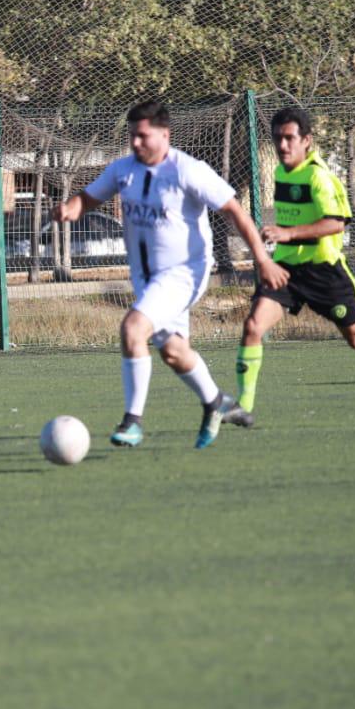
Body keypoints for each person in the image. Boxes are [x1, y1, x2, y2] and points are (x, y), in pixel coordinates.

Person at [52, 100, 287, 450]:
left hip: (184, 273)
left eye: (143, 136)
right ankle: (216, 402)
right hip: (146, 279)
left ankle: (132, 422)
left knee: (133, 327)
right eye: (132, 136)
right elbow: (88, 198)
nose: (135, 143)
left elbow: (235, 211)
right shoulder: (123, 170)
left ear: (165, 134)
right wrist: (72, 207)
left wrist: (262, 260)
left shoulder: (188, 170)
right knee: (174, 353)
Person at [223, 106, 355, 427]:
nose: (283, 146)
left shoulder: (319, 177)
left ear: (307, 141)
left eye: (289, 138)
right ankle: (243, 406)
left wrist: (287, 233)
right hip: (286, 270)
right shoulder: (280, 173)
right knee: (253, 327)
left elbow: (335, 224)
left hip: (324, 273)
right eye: (277, 139)